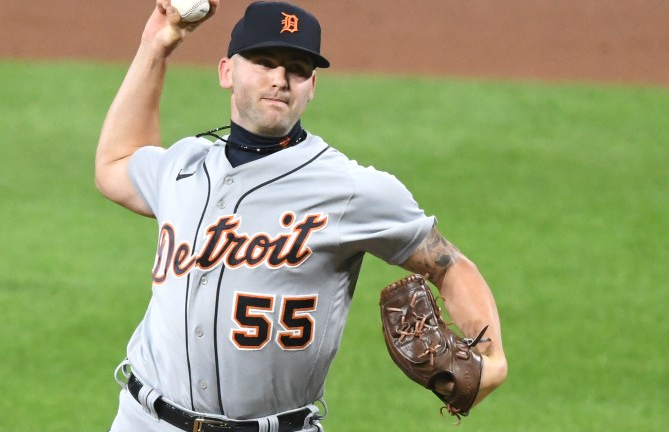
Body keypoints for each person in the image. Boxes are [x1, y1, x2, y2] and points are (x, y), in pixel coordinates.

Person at [95, 1, 507, 431]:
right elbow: (116, 164)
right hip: (143, 418)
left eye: (297, 68)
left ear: (312, 85)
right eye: (264, 61)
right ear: (226, 72)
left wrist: (493, 358)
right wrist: (154, 47)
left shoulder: (351, 189)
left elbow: (450, 265)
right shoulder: (183, 166)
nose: (280, 79)